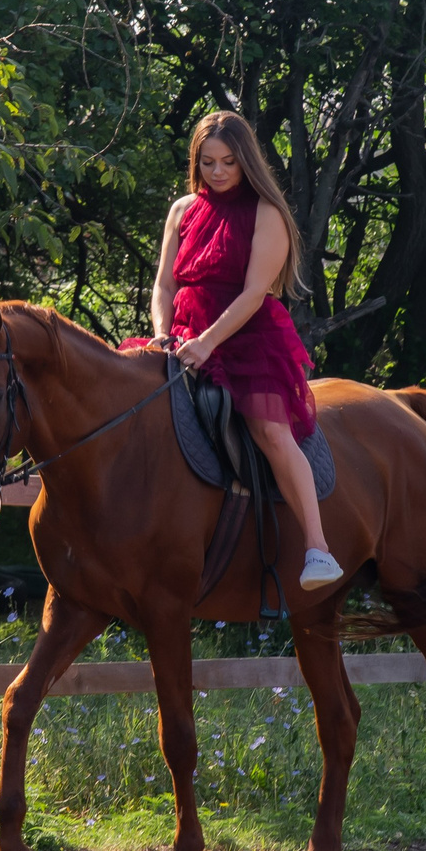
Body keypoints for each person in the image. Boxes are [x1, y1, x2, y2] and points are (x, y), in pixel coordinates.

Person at [145, 110, 342, 589]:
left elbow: (255, 292)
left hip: (245, 334)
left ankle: (318, 548)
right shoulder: (181, 210)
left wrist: (207, 342)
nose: (217, 172)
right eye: (208, 162)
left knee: (270, 431)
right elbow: (164, 284)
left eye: (228, 162)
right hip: (183, 333)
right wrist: (162, 331)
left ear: (245, 161)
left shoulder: (266, 213)